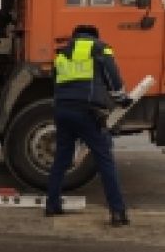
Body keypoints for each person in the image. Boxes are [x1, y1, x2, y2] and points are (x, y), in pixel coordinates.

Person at [45, 23, 134, 226]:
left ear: (75, 36)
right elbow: (112, 76)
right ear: (94, 35)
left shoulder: (62, 53)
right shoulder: (100, 48)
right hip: (88, 111)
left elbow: (54, 82)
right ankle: (117, 212)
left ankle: (52, 204)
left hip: (63, 110)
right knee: (104, 159)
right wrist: (121, 98)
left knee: (61, 158)